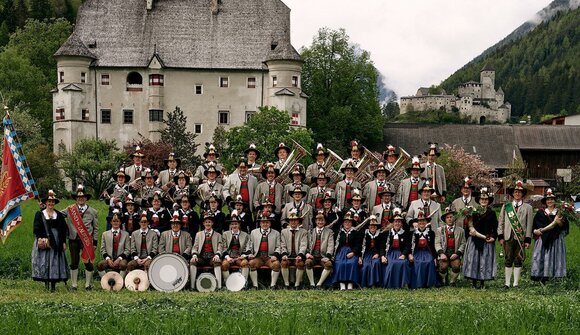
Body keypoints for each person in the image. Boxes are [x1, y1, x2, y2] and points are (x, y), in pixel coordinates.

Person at [498, 180, 534, 289]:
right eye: (515, 192)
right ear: (512, 194)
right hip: (508, 237)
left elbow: (529, 225)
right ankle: (507, 283)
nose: (517, 194)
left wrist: (527, 240)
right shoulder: (506, 206)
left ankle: (516, 284)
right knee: (508, 259)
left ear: (522, 194)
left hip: (521, 237)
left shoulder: (528, 208)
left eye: (519, 192)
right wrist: (500, 236)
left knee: (519, 259)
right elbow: (501, 222)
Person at [32, 190, 68, 292]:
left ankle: (53, 285)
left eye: (52, 202)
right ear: (45, 203)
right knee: (45, 261)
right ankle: (46, 284)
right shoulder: (40, 214)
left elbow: (63, 229)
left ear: (54, 203)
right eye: (49, 201)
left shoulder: (59, 215)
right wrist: (40, 238)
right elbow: (36, 227)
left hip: (56, 241)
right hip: (44, 240)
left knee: (55, 262)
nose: (51, 203)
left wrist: (63, 242)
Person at [531, 188, 569, 283]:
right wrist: (537, 230)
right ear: (545, 201)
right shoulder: (540, 213)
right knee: (542, 256)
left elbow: (564, 226)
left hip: (556, 239)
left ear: (554, 200)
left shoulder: (560, 212)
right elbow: (536, 225)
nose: (550, 201)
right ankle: (542, 275)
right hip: (543, 238)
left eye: (552, 199)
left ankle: (556, 275)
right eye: (548, 199)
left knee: (556, 256)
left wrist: (559, 223)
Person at [463, 187, 498, 289]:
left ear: (488, 201)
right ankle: (474, 282)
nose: (484, 201)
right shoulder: (473, 212)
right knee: (474, 261)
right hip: (474, 239)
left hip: (486, 240)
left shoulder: (492, 213)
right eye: (482, 199)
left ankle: (482, 282)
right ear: (479, 200)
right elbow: (468, 226)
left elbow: (495, 227)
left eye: (486, 200)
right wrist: (470, 231)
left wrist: (494, 238)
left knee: (484, 261)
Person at [66, 184, 99, 291]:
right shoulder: (69, 209)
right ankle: (74, 285)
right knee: (74, 262)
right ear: (76, 199)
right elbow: (56, 214)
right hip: (73, 239)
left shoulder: (93, 211)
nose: (80, 199)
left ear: (86, 199)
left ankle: (88, 284)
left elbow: (96, 228)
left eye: (82, 197)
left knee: (88, 262)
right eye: (78, 198)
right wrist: (44, 208)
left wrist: (95, 243)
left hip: (87, 241)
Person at [190, 212, 223, 290]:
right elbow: (195, 246)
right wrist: (194, 255)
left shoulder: (218, 235)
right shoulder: (199, 234)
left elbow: (220, 247)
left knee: (217, 261)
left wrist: (217, 255)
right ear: (203, 224)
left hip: (212, 256)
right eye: (206, 222)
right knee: (193, 261)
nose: (208, 224)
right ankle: (192, 286)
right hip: (201, 257)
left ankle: (219, 286)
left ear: (212, 223)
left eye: (209, 222)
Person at [247, 215, 282, 289]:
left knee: (276, 264)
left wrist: (275, 255)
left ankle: (273, 285)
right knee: (251, 263)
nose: (265, 224)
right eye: (263, 222)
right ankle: (255, 285)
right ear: (260, 224)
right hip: (258, 257)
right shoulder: (254, 232)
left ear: (270, 224)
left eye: (267, 222)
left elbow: (279, 247)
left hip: (270, 257)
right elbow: (249, 245)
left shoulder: (276, 233)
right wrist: (250, 254)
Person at [330, 211, 361, 290]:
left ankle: (350, 283)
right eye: (346, 222)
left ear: (351, 223)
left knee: (352, 263)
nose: (347, 224)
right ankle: (342, 283)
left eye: (349, 222)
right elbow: (335, 244)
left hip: (352, 251)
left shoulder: (355, 233)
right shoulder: (338, 233)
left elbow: (358, 245)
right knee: (340, 263)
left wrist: (353, 252)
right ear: (343, 223)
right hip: (341, 252)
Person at [435, 207, 466, 287]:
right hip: (444, 254)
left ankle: (452, 282)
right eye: (447, 217)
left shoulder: (461, 230)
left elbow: (463, 243)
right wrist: (441, 253)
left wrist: (457, 253)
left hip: (454, 253)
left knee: (456, 266)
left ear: (454, 218)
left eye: (451, 217)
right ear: (445, 220)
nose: (449, 219)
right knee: (443, 266)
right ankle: (443, 280)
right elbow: (437, 243)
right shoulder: (439, 230)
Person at [382, 208, 411, 289]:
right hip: (390, 253)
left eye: (399, 222)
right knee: (392, 264)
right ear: (393, 223)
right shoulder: (387, 234)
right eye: (395, 221)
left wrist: (404, 254)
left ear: (401, 223)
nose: (397, 223)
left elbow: (407, 246)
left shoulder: (405, 233)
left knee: (404, 263)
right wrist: (382, 256)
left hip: (400, 253)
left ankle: (404, 284)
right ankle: (391, 284)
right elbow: (382, 246)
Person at [97, 210, 130, 280]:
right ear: (111, 222)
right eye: (114, 221)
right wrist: (108, 259)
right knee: (100, 265)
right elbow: (102, 249)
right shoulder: (105, 234)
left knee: (123, 264)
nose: (115, 223)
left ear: (120, 222)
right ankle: (106, 280)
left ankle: (120, 281)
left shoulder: (125, 234)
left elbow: (127, 250)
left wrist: (119, 259)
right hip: (110, 258)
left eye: (117, 221)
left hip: (121, 258)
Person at [305, 210, 334, 288]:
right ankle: (312, 283)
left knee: (329, 264)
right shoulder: (310, 232)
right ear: (315, 221)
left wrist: (327, 257)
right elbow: (305, 244)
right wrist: (307, 253)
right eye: (318, 220)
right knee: (308, 262)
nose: (320, 222)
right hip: (312, 256)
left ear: (325, 222)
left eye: (322, 220)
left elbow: (331, 246)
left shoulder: (329, 232)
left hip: (323, 256)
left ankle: (319, 283)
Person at [280, 209, 309, 289]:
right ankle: (286, 284)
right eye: (291, 221)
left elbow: (303, 245)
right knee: (284, 263)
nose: (293, 222)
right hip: (288, 255)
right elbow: (283, 244)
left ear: (298, 222)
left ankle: (297, 284)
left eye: (295, 220)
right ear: (288, 222)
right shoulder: (283, 232)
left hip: (298, 255)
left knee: (300, 264)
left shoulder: (303, 232)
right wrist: (284, 254)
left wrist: (300, 255)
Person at [221, 210, 251, 285]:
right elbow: (223, 247)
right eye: (232, 224)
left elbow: (247, 247)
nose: (234, 226)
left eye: (236, 224)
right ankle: (227, 284)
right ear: (230, 225)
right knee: (224, 265)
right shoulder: (225, 234)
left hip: (239, 256)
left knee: (245, 263)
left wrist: (242, 256)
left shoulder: (245, 235)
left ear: (239, 225)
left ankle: (244, 283)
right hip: (229, 256)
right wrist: (228, 257)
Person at [409, 211, 437, 289]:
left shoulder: (431, 233)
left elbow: (432, 246)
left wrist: (435, 257)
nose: (421, 222)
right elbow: (409, 246)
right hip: (417, 252)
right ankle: (418, 283)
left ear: (426, 222)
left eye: (423, 220)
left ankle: (429, 283)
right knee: (418, 262)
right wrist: (409, 254)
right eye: (419, 221)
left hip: (427, 252)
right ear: (417, 222)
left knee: (429, 261)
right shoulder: (412, 233)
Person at [359, 215, 383, 288]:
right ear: (368, 227)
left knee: (376, 263)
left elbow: (382, 247)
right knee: (366, 265)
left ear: (376, 227)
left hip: (376, 253)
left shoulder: (380, 235)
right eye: (371, 226)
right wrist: (360, 256)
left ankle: (375, 283)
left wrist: (378, 254)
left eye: (374, 226)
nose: (373, 227)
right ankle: (366, 284)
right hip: (367, 254)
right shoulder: (364, 235)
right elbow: (360, 247)